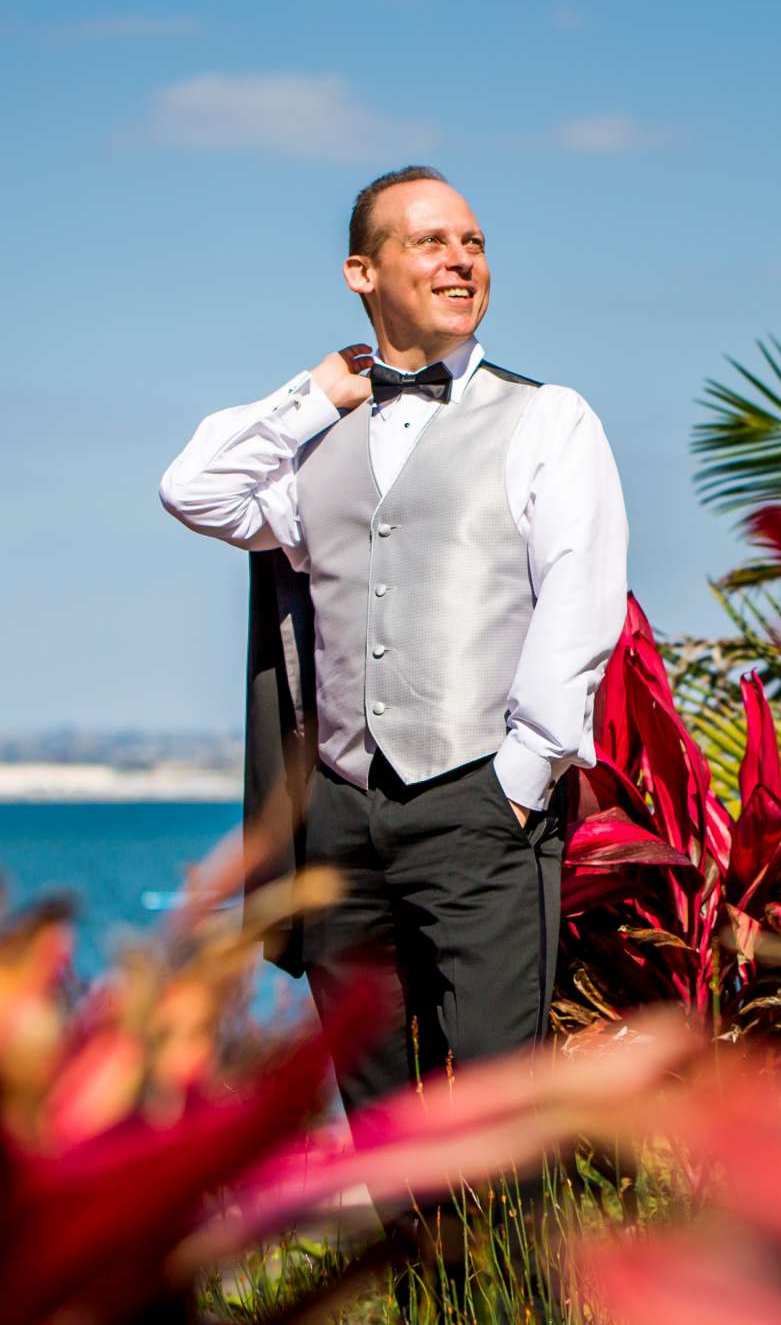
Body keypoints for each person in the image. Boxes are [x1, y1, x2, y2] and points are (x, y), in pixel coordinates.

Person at [159, 166, 628, 1119]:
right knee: (379, 1111)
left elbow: (579, 602)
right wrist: (314, 394)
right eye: (430, 242)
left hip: (482, 801)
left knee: (498, 1116)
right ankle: (421, 1275)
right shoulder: (311, 446)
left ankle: (512, 1278)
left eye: (475, 243)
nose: (462, 260)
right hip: (340, 814)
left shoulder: (549, 419)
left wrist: (522, 779)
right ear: (360, 273)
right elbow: (193, 488)